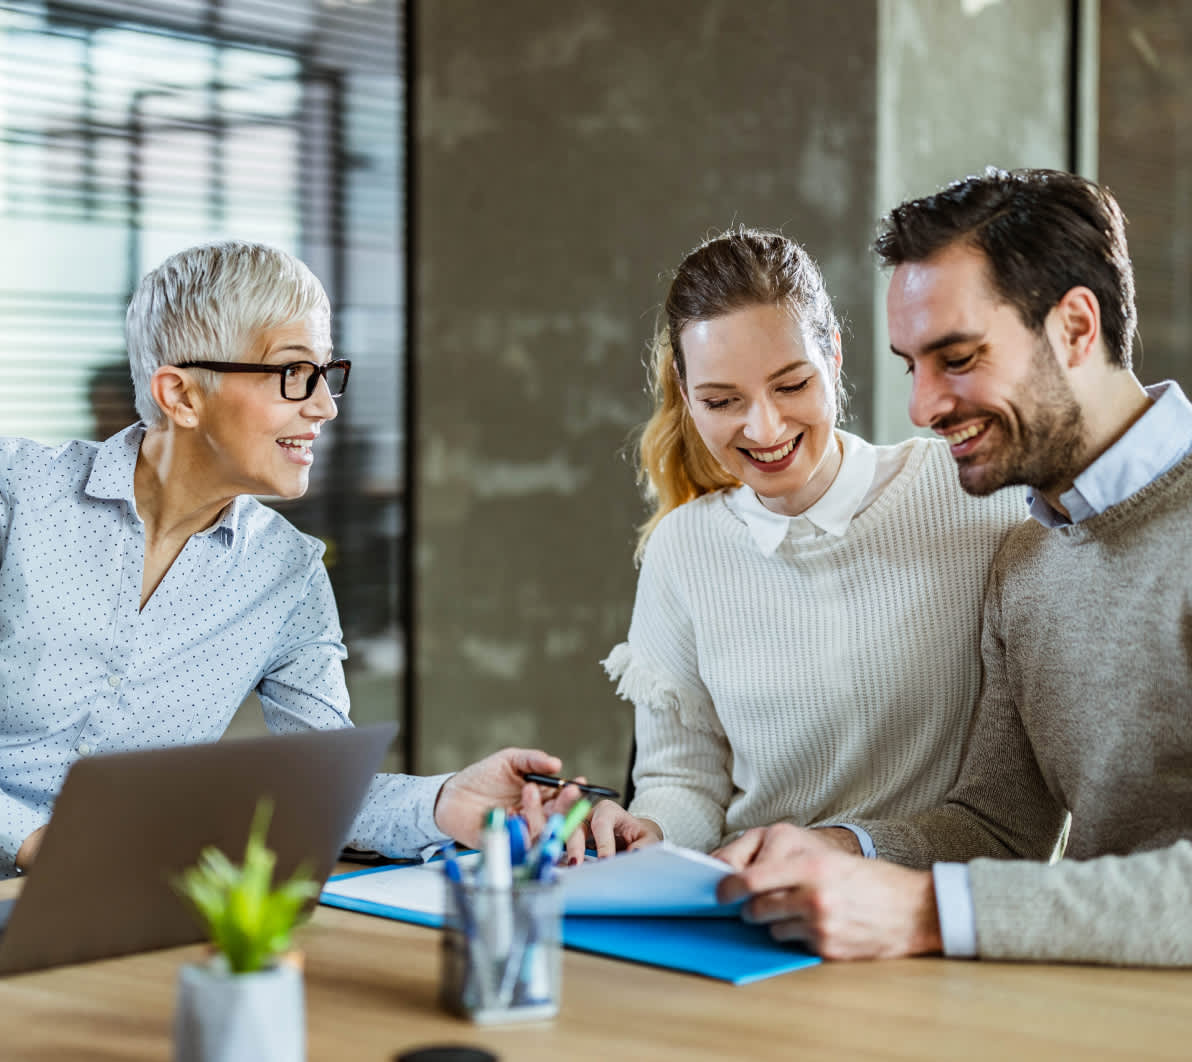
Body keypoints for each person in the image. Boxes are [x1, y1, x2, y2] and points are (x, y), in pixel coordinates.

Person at [716, 167, 1192, 967]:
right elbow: (999, 828)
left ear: (1076, 327)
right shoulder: (1030, 557)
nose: (923, 407)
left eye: (959, 357)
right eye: (912, 365)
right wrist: (835, 849)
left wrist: (927, 913)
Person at [0, 240, 575, 880]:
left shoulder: (287, 574)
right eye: (294, 374)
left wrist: (445, 803)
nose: (325, 406)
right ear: (182, 396)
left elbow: (320, 780)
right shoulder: (15, 496)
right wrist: (33, 841)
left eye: (326, 374)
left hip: (99, 914)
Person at [588, 228, 1024, 858]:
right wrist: (647, 829)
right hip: (751, 902)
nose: (763, 427)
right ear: (688, 397)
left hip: (923, 905)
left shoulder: (971, 495)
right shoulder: (681, 550)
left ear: (834, 357)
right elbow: (683, 782)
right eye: (721, 400)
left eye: (791, 385)